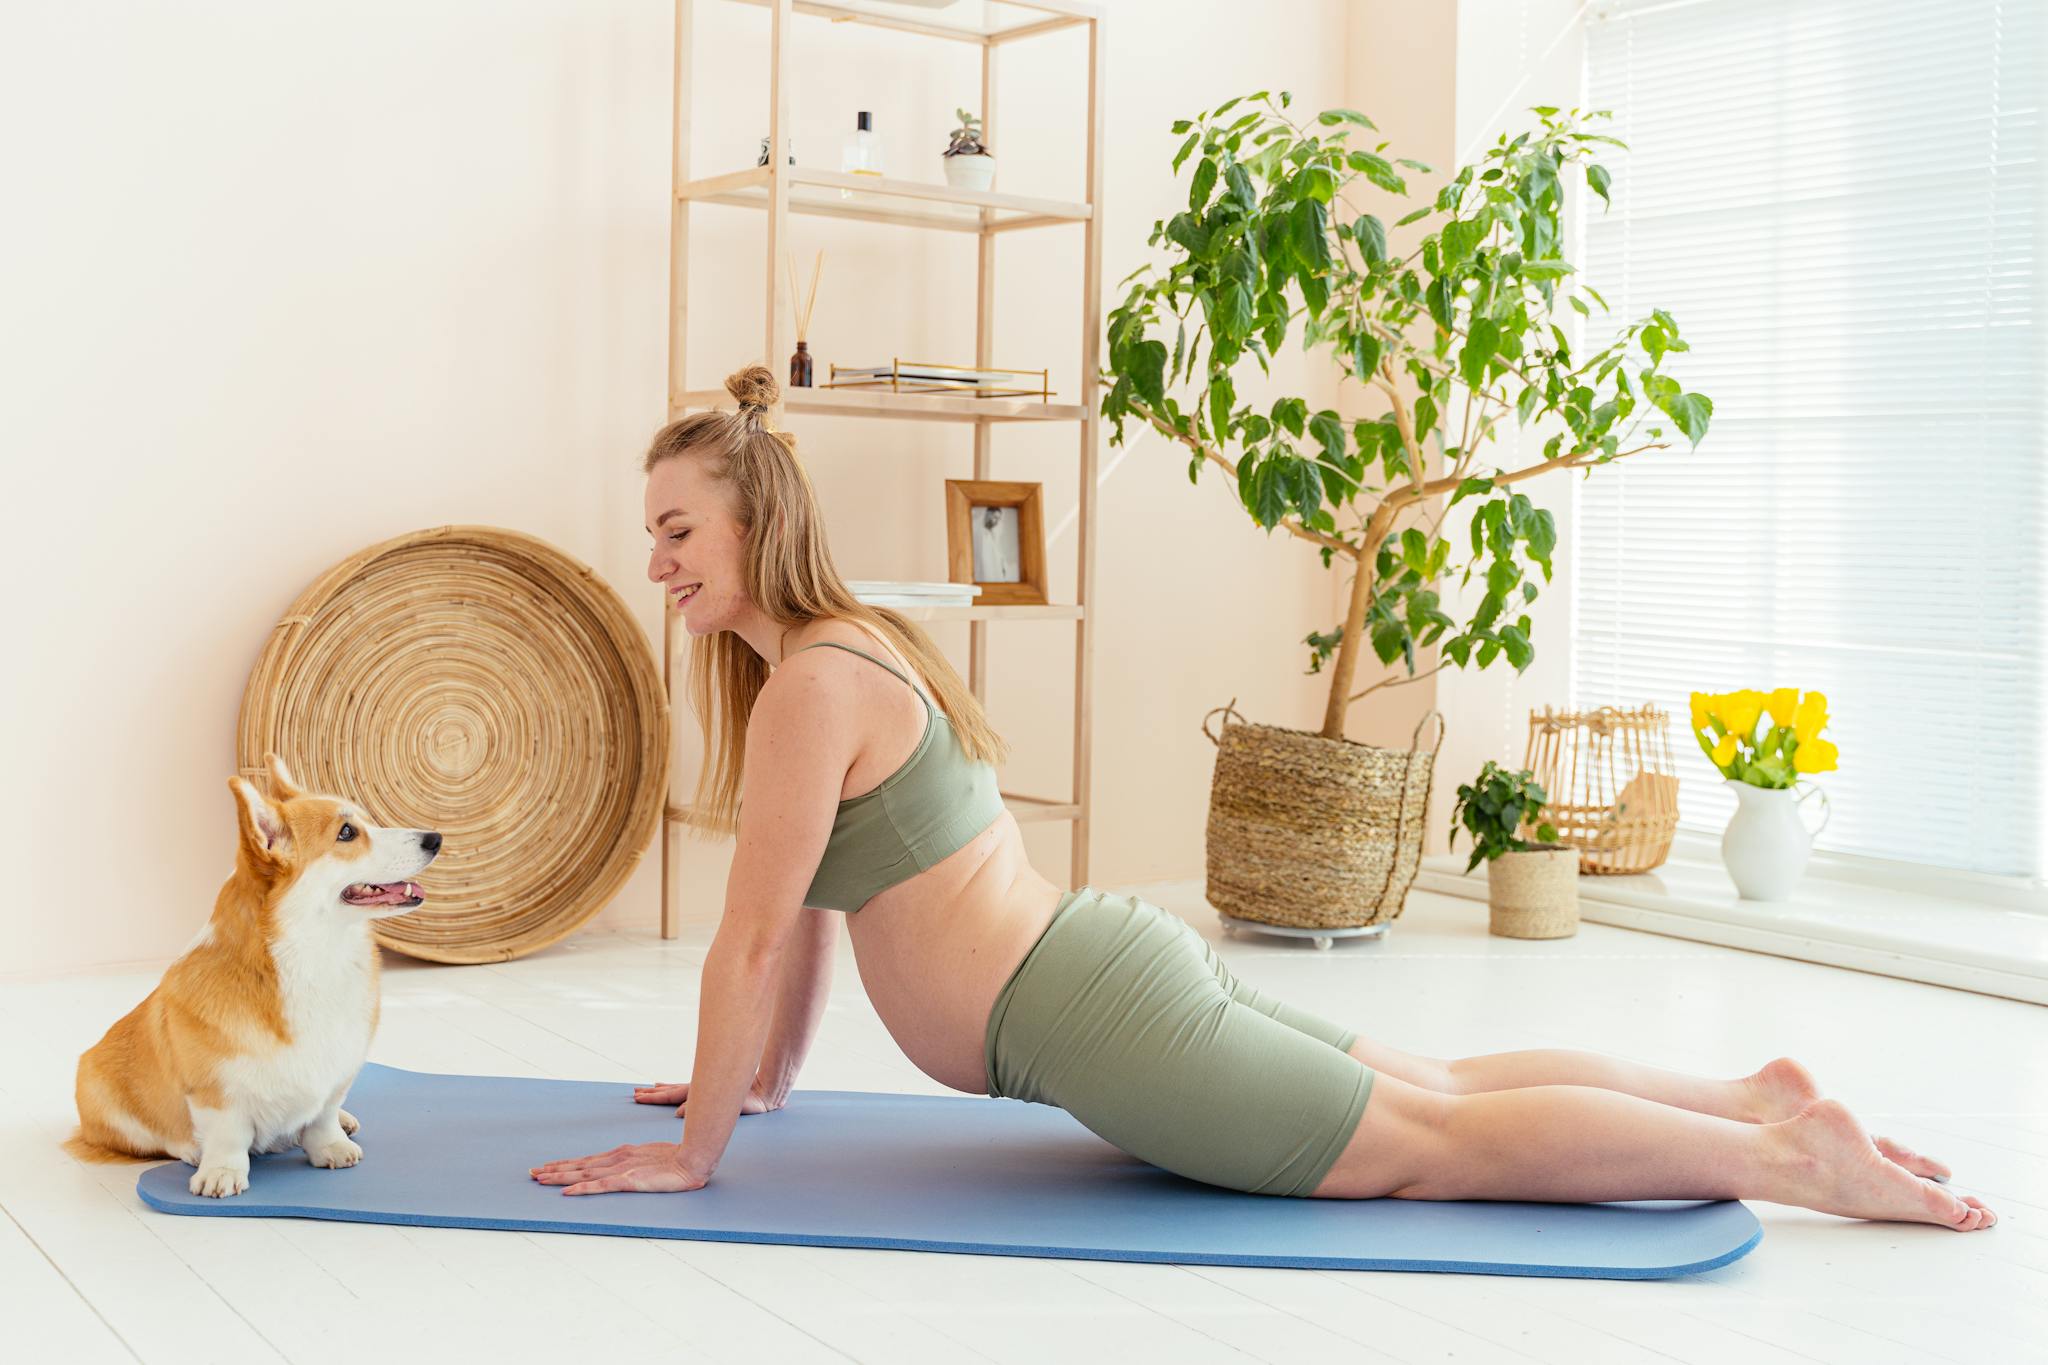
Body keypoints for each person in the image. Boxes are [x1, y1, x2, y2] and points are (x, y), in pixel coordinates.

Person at [530, 366, 1993, 1232]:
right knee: (1441, 1083)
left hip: (1095, 1016)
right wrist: (762, 1083)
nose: (658, 560)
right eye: (652, 532)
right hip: (1103, 970)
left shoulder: (810, 686)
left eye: (677, 529)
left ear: (752, 519)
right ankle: (1750, 1096)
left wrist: (698, 1148)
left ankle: (1785, 1160)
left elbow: (746, 939)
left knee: (1433, 1150)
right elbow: (810, 920)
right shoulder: (846, 655)